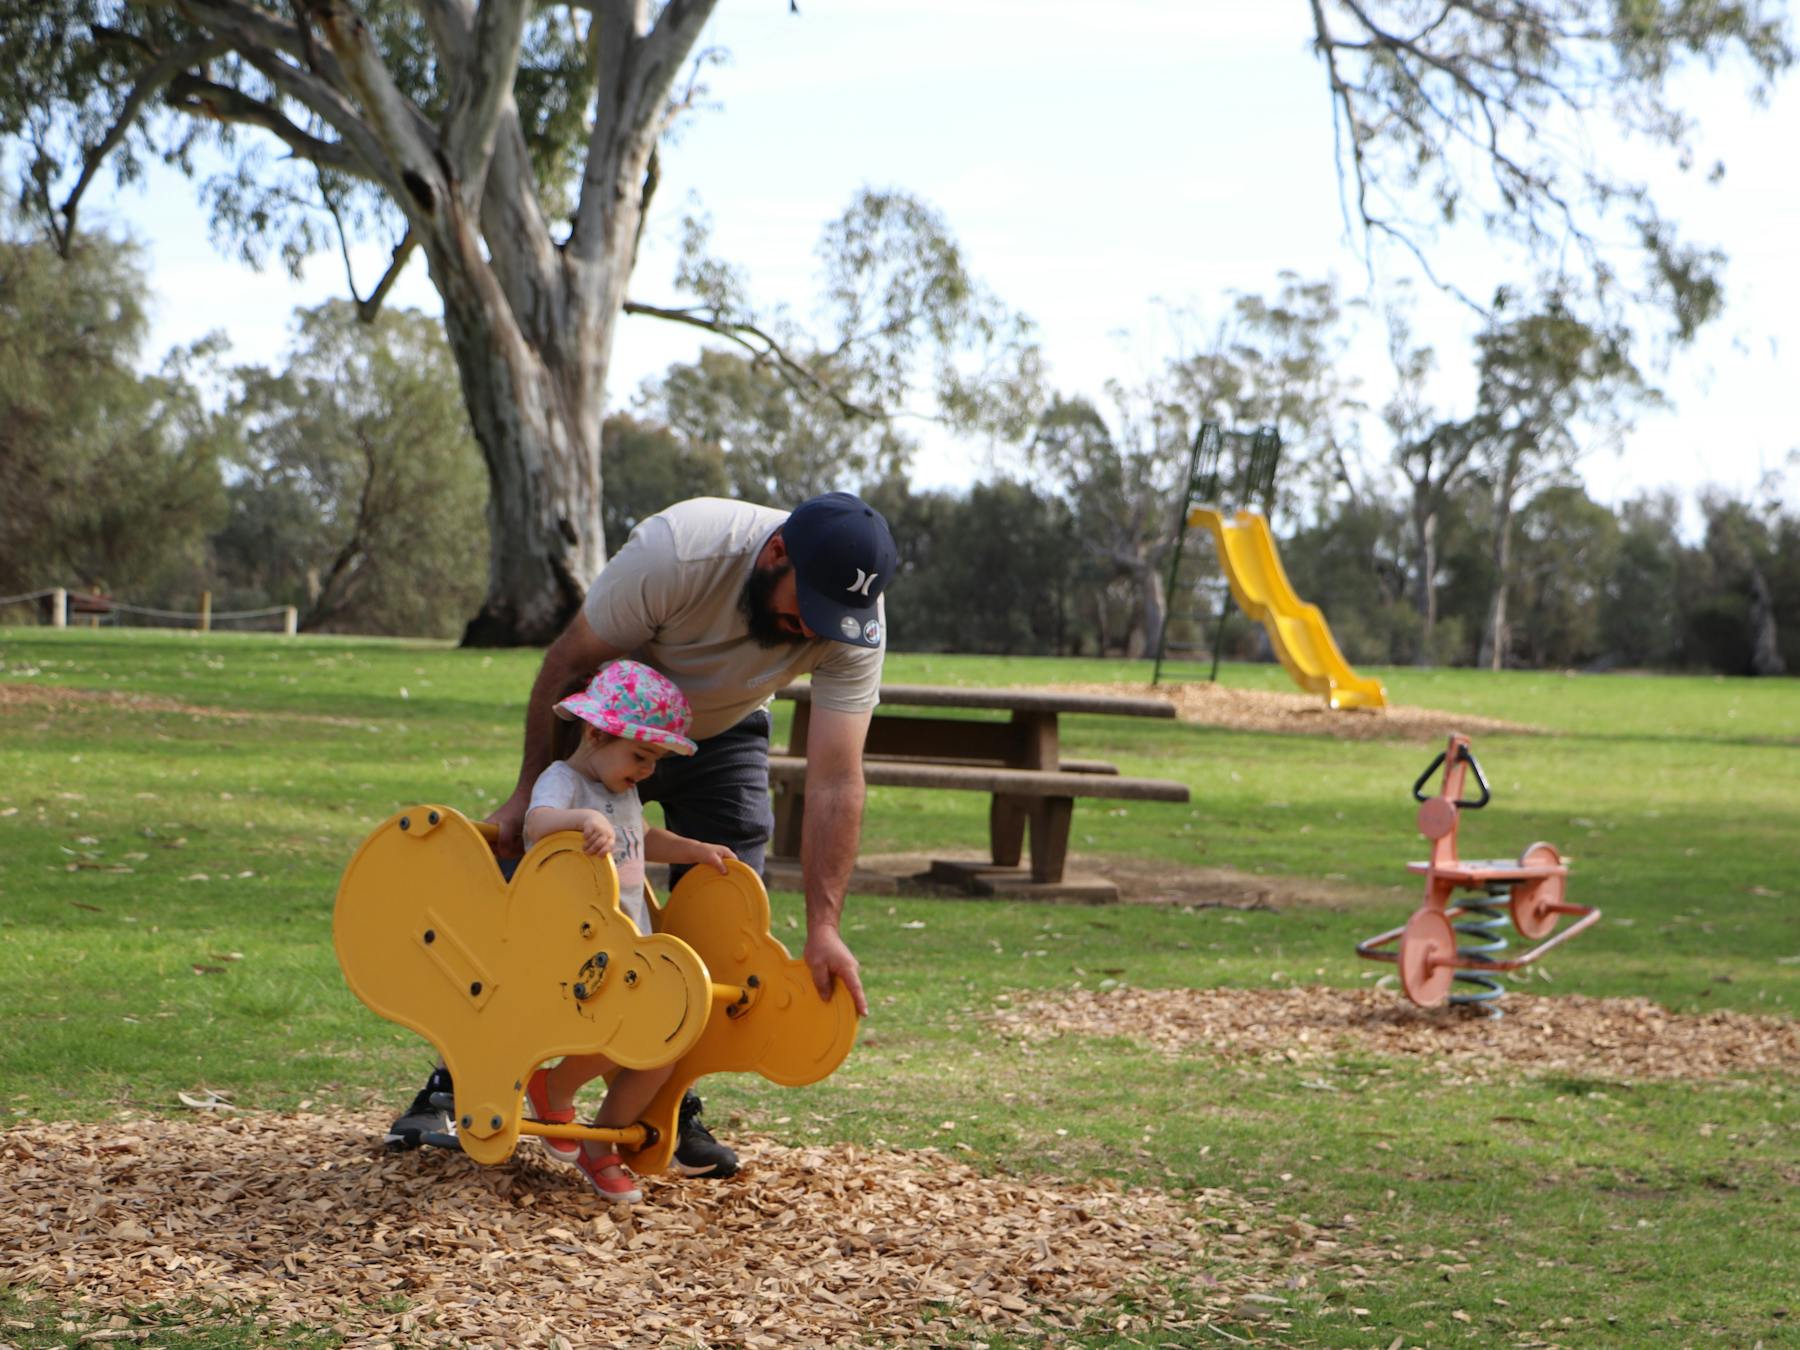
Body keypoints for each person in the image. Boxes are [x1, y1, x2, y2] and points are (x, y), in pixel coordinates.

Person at [386, 492, 897, 1180]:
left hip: (722, 734)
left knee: (721, 915)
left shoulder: (851, 622)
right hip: (616, 718)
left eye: (831, 621)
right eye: (804, 608)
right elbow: (568, 664)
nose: (813, 630)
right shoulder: (681, 551)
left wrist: (825, 926)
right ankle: (456, 1085)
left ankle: (660, 1107)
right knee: (539, 898)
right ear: (775, 554)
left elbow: (837, 777)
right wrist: (529, 792)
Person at [521, 658, 735, 1203]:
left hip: (629, 943)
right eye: (640, 755)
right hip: (579, 948)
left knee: (666, 1043)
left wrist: (695, 849)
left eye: (655, 760)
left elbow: (643, 836)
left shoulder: (623, 792)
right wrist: (579, 821)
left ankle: (600, 1142)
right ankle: (557, 1084)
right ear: (595, 733)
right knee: (627, 1030)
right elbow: (535, 823)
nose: (646, 770)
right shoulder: (564, 781)